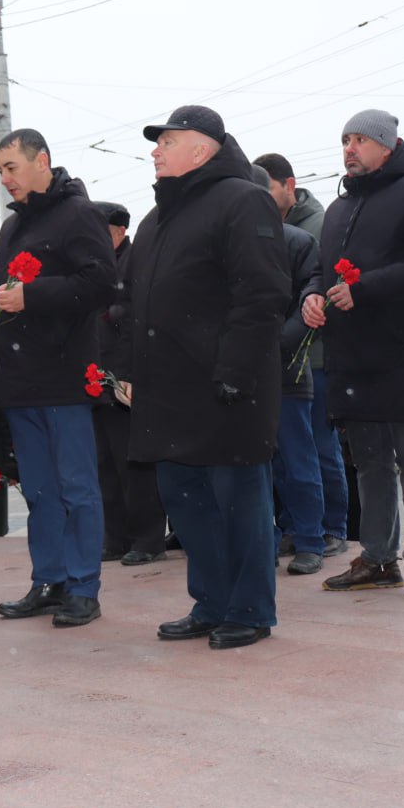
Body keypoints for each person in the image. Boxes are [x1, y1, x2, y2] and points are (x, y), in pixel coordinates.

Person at [125, 105, 289, 650]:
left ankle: (249, 609)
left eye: (167, 142)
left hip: (226, 389)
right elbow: (137, 304)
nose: (155, 150)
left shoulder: (244, 201)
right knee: (189, 506)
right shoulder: (155, 219)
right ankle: (211, 602)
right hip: (168, 392)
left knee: (239, 505)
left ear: (202, 149)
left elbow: (263, 293)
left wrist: (236, 371)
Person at [302, 110, 404, 601]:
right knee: (368, 459)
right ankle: (378, 557)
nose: (349, 148)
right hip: (351, 352)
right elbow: (320, 269)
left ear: (387, 147)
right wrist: (311, 294)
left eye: (361, 140)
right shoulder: (340, 208)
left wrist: (364, 288)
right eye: (345, 139)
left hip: (402, 350)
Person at [0, 128, 115, 627]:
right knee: (37, 490)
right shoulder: (12, 228)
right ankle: (48, 579)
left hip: (63, 374)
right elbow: (0, 295)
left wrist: (34, 297)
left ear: (42, 161)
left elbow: (102, 282)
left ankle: (83, 587)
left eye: (11, 168)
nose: (5, 180)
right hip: (19, 377)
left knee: (76, 486)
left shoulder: (78, 214)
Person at [255, 152, 348, 556]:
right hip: (271, 364)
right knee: (280, 459)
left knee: (313, 452)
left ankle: (330, 530)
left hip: (308, 361)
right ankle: (296, 529)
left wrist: (279, 342)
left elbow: (314, 294)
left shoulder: (312, 231)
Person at [248, 164, 325, 576]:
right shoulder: (235, 244)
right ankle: (275, 537)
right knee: (262, 464)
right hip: (250, 372)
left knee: (298, 461)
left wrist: (275, 344)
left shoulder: (298, 242)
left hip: (290, 370)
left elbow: (310, 300)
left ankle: (311, 541)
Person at [90, 201, 167, 566]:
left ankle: (147, 538)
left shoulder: (135, 263)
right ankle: (115, 537)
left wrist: (131, 377)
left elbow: (138, 323)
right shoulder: (97, 266)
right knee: (104, 463)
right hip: (97, 379)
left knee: (132, 462)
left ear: (119, 231)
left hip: (127, 379)